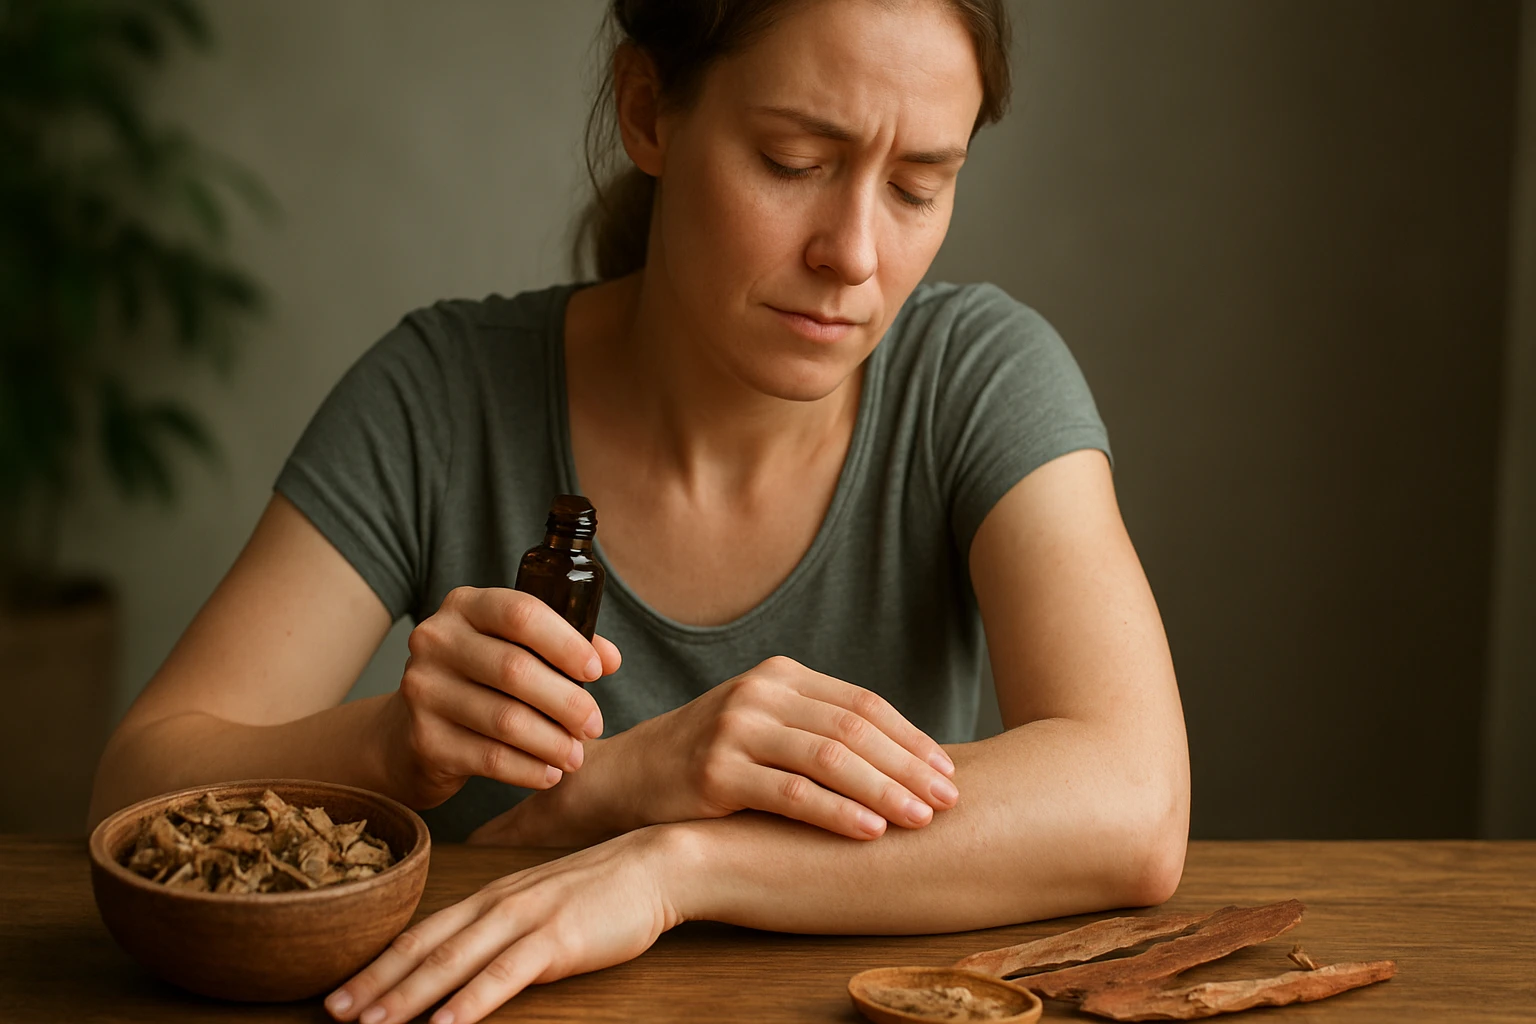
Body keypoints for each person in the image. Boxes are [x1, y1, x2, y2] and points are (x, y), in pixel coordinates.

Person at [88, 1, 1190, 1021]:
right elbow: (137, 783)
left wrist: (676, 861)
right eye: (793, 161)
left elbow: (1133, 803)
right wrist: (391, 744)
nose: (854, 255)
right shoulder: (438, 392)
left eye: (918, 185)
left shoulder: (980, 377)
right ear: (648, 110)